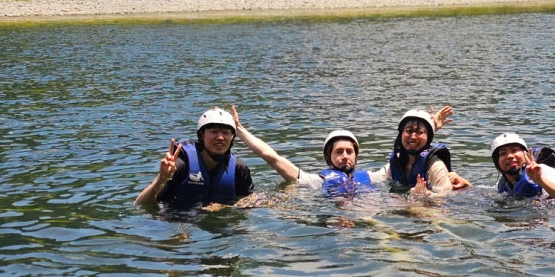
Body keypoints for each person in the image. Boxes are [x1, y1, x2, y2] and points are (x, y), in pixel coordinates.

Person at [230, 105, 386, 196]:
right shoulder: (317, 182)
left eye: (349, 152)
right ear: (328, 156)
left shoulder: (373, 178)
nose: (345, 156)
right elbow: (272, 158)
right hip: (337, 220)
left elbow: (404, 155)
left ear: (356, 155)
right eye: (338, 152)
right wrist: (239, 131)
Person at [136, 108, 255, 210]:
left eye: (226, 133)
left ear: (232, 137)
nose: (220, 137)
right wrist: (161, 179)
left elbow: (250, 202)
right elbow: (140, 205)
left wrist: (224, 207)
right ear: (201, 135)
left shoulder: (239, 168)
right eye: (213, 132)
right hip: (177, 220)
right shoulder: (182, 164)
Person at [387, 108, 456, 199]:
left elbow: (447, 195)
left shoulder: (435, 166)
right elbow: (376, 178)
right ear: (401, 133)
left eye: (420, 132)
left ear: (428, 137)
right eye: (409, 130)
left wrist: (427, 195)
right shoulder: (396, 162)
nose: (413, 136)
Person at [489, 132, 555, 199]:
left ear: (525, 155)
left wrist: (539, 180)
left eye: (515, 150)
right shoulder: (502, 184)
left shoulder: (542, 170)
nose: (510, 156)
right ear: (497, 162)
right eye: (503, 153)